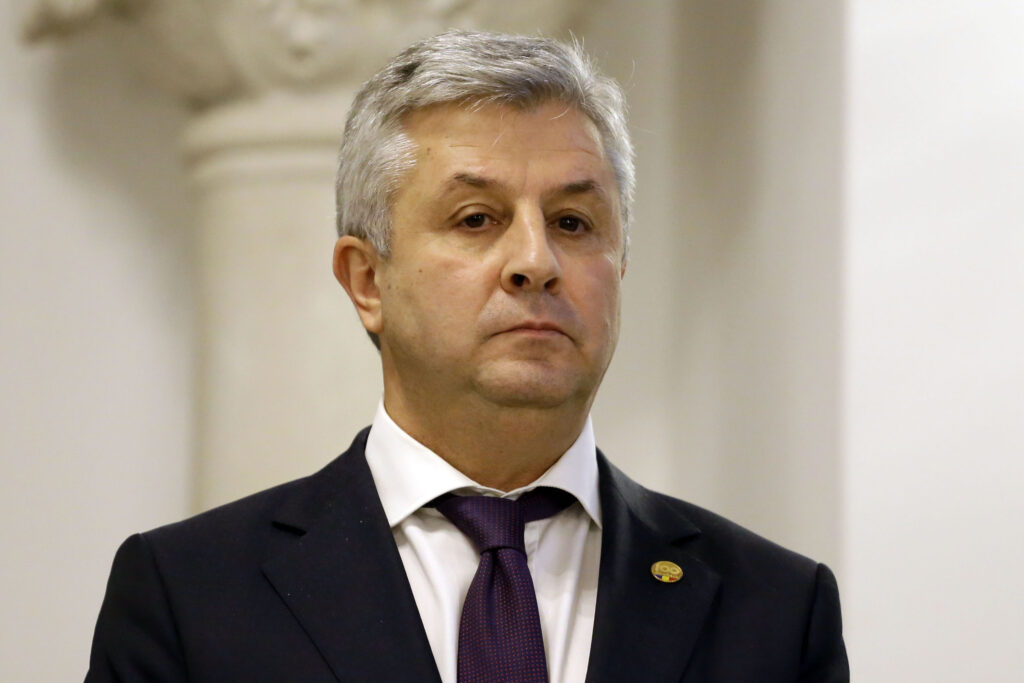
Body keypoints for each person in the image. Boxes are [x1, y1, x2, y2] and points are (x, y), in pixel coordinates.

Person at [86, 30, 849, 682]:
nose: (536, 261)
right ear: (367, 280)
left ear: (621, 266)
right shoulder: (190, 598)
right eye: (477, 218)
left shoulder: (775, 609)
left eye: (574, 222)